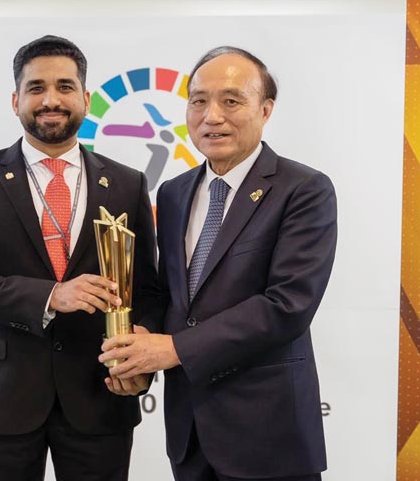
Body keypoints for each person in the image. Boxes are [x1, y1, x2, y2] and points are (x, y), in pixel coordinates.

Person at [99, 46, 337, 481]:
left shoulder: (303, 189)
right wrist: (141, 346)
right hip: (190, 431)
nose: (212, 116)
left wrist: (173, 349)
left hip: (269, 432)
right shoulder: (173, 192)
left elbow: (288, 305)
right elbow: (166, 293)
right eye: (199, 101)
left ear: (265, 110)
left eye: (231, 100)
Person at [0, 35, 158, 481]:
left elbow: (147, 288)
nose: (51, 100)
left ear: (85, 99)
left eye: (65, 87)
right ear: (16, 100)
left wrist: (140, 359)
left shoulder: (128, 183)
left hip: (101, 392)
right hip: (3, 397)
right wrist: (51, 296)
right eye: (36, 88)